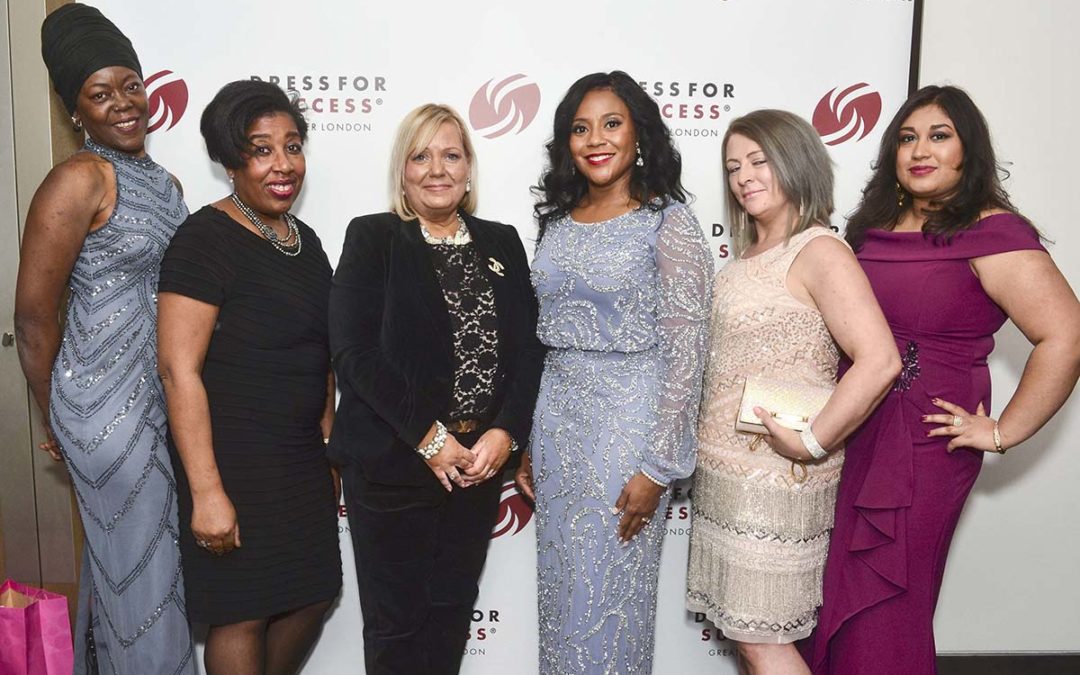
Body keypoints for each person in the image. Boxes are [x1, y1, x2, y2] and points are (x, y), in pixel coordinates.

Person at [805, 85, 1080, 675]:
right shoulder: (872, 228)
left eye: (939, 136)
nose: (920, 150)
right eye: (907, 138)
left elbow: (1066, 335)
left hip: (923, 448)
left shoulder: (992, 232)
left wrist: (1003, 431)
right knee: (827, 596)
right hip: (847, 430)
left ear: (967, 150)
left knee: (887, 609)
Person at [327, 103, 545, 675]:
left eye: (450, 155)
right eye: (420, 156)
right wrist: (429, 439)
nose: (437, 169)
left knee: (450, 617)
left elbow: (529, 349)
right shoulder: (374, 237)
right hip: (393, 466)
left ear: (469, 168)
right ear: (403, 171)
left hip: (476, 468)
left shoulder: (502, 242)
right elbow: (354, 353)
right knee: (397, 627)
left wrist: (506, 433)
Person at [684, 109, 900, 674]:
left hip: (777, 479)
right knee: (747, 638)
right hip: (726, 474)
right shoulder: (746, 258)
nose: (743, 177)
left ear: (795, 162)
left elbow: (880, 360)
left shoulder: (819, 250)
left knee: (763, 641)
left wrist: (812, 441)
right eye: (733, 167)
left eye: (759, 161)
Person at [14, 5, 194, 672]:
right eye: (99, 93)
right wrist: (56, 415)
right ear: (74, 110)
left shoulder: (166, 184)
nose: (122, 103)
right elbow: (33, 318)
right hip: (103, 410)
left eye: (131, 85)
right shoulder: (78, 179)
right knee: (147, 586)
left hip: (158, 404)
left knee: (132, 572)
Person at [515, 70, 713, 674]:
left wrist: (659, 465)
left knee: (609, 600)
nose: (595, 139)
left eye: (611, 123)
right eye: (581, 128)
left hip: (627, 433)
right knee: (563, 598)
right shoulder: (558, 219)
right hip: (557, 428)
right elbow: (546, 336)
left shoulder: (667, 221)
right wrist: (531, 437)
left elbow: (688, 351)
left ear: (639, 135)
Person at [156, 80, 341, 675]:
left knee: (313, 594)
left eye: (292, 146)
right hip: (233, 458)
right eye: (262, 150)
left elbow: (322, 353)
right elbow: (177, 369)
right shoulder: (203, 240)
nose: (283, 164)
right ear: (229, 161)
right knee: (242, 612)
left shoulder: (305, 242)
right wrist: (207, 492)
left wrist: (328, 443)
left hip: (299, 456)